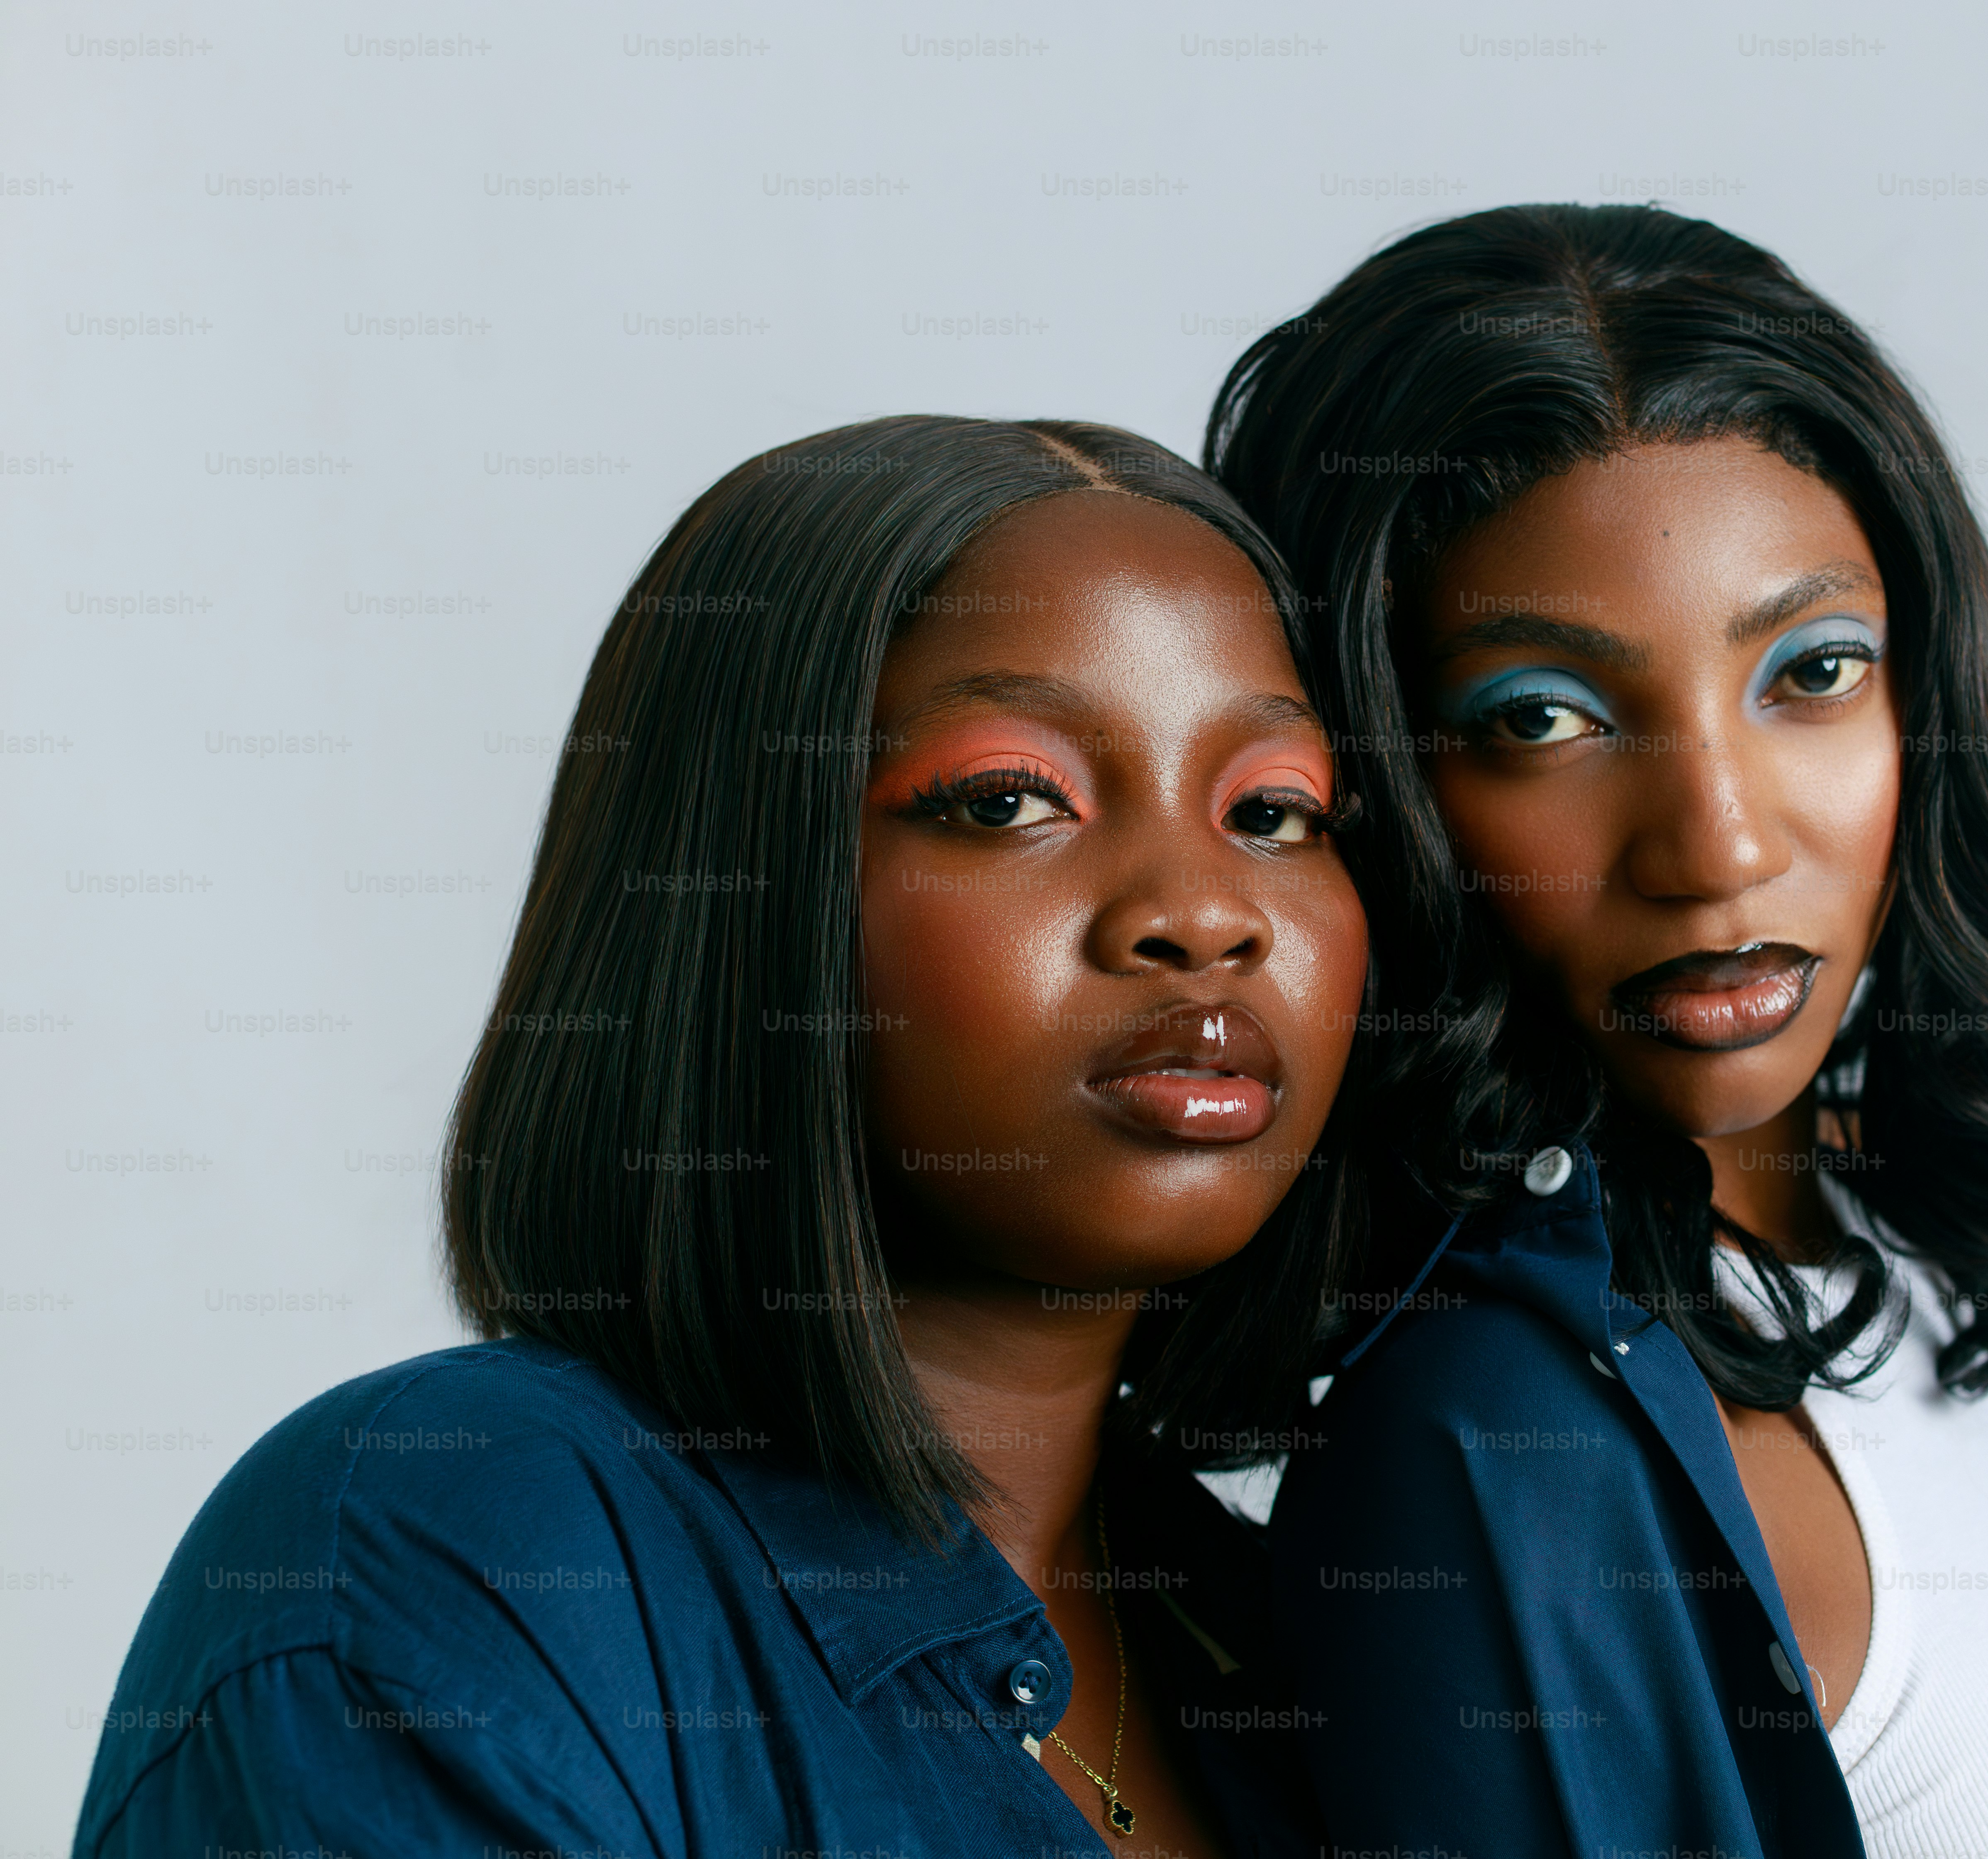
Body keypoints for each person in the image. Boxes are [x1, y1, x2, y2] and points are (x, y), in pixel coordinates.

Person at [1207, 204, 1988, 1857]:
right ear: (1376, 778)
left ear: (1927, 693)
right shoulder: (1491, 1441)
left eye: (1809, 672)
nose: (1721, 843)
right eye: (1543, 717)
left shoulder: (1934, 1240)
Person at [75, 416, 1370, 1858]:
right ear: (734, 890)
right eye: (1009, 799)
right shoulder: (465, 1550)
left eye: (1275, 811)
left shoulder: (1332, 1656)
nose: (1204, 911)